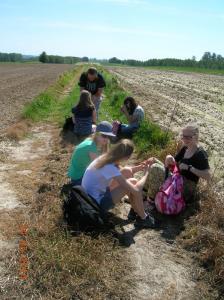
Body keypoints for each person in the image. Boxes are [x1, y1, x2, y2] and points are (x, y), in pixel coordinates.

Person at [82, 139, 156, 228]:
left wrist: (140, 167)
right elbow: (136, 190)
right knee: (133, 184)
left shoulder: (106, 157)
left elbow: (124, 170)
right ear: (126, 157)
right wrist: (146, 173)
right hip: (95, 204)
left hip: (90, 195)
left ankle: (136, 211)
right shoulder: (110, 167)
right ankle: (144, 218)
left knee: (127, 172)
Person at [145, 123, 211, 204]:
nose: (185, 139)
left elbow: (208, 176)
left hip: (185, 186)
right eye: (183, 136)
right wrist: (169, 158)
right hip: (177, 178)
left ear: (196, 136)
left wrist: (189, 168)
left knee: (155, 168)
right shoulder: (185, 147)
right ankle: (144, 193)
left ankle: (152, 201)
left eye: (188, 137)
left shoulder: (200, 153)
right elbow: (174, 162)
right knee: (152, 161)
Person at [68, 121, 115, 186]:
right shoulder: (91, 147)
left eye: (109, 136)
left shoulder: (92, 141)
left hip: (80, 174)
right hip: (78, 178)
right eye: (104, 135)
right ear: (97, 134)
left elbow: (105, 159)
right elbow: (99, 167)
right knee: (107, 182)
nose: (107, 139)